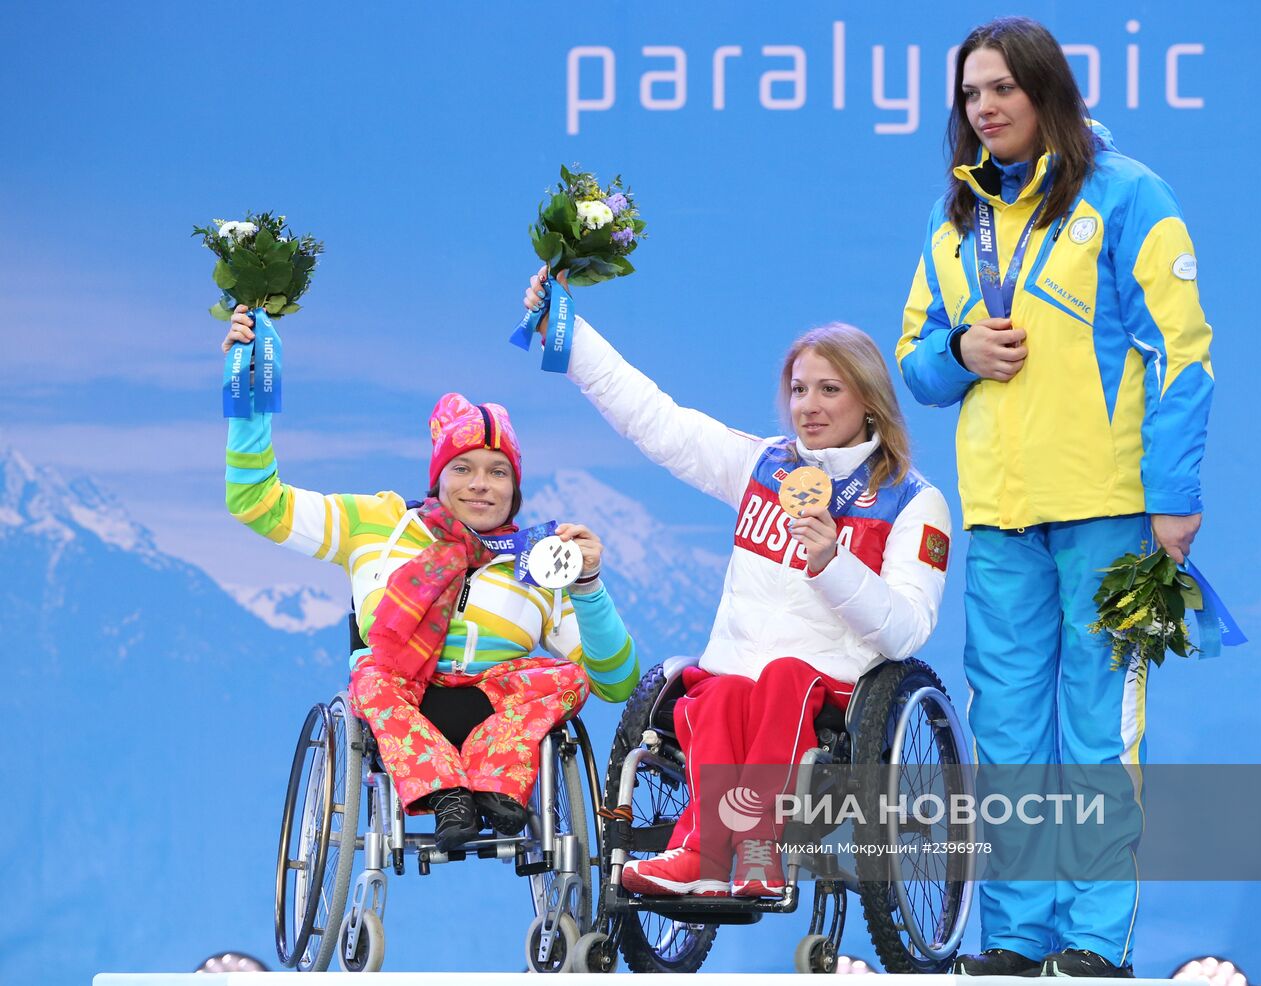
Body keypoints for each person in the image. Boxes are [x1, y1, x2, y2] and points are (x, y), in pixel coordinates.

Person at [895, 16, 1214, 979]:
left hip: (1109, 506)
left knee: (1096, 731)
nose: (984, 109)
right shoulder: (958, 219)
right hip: (999, 513)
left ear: (1048, 92)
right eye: (969, 95)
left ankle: (1089, 941)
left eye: (1001, 89)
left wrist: (1175, 495)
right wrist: (960, 353)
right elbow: (913, 356)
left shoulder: (1128, 196)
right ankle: (1015, 937)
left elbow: (1182, 353)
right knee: (1007, 731)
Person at [522, 270, 953, 898]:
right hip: (739, 676)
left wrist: (833, 562)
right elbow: (657, 421)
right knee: (717, 693)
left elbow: (908, 629)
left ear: (869, 401)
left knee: (781, 680)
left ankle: (758, 854)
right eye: (800, 389)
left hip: (831, 689)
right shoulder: (763, 465)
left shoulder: (913, 501)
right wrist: (567, 332)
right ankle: (703, 855)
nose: (809, 405)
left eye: (830, 389)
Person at [221, 305, 640, 850]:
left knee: (568, 679)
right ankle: (446, 793)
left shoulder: (537, 559)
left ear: (516, 488)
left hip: (495, 710)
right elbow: (256, 503)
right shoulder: (377, 523)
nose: (481, 485)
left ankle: (494, 783)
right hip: (404, 700)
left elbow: (617, 684)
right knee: (370, 674)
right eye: (463, 468)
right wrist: (249, 407)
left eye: (499, 472)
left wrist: (588, 585)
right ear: (437, 477)